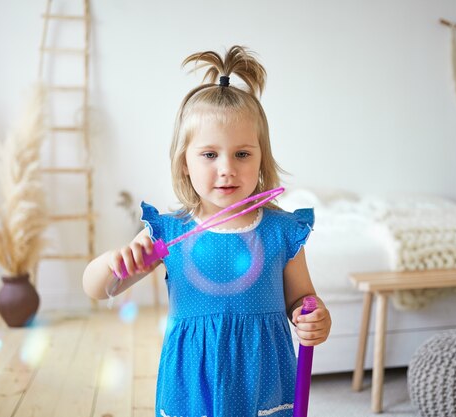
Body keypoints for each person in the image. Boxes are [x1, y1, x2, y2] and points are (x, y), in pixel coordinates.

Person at [83, 45, 332, 417]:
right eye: (210, 155)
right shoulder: (166, 233)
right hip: (192, 383)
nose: (227, 168)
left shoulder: (282, 232)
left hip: (263, 381)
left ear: (261, 159)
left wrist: (314, 316)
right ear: (184, 162)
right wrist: (112, 262)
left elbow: (302, 299)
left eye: (243, 154)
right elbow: (96, 288)